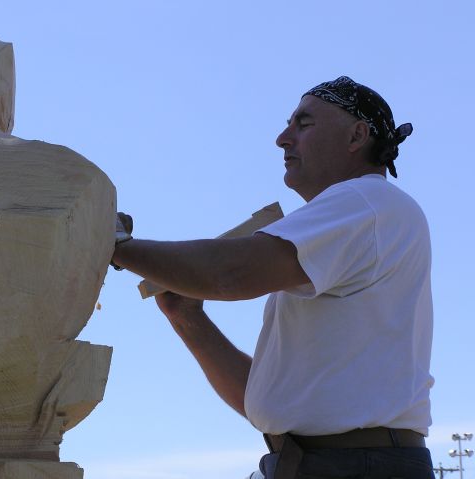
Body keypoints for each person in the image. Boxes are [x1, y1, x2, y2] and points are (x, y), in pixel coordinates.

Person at [111, 76, 434, 479]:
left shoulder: (366, 201)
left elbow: (230, 273)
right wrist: (187, 318)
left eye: (304, 124)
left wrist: (116, 244)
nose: (283, 138)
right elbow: (261, 403)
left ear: (356, 136)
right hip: (329, 462)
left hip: (352, 466)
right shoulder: (361, 219)